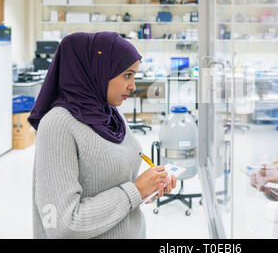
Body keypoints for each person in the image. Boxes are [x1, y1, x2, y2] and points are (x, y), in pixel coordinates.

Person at [28, 31, 176, 239]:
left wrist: (150, 186)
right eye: (127, 75)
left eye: (134, 75)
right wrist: (136, 190)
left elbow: (116, 185)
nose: (133, 86)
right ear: (99, 70)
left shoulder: (110, 114)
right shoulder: (58, 124)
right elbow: (61, 224)